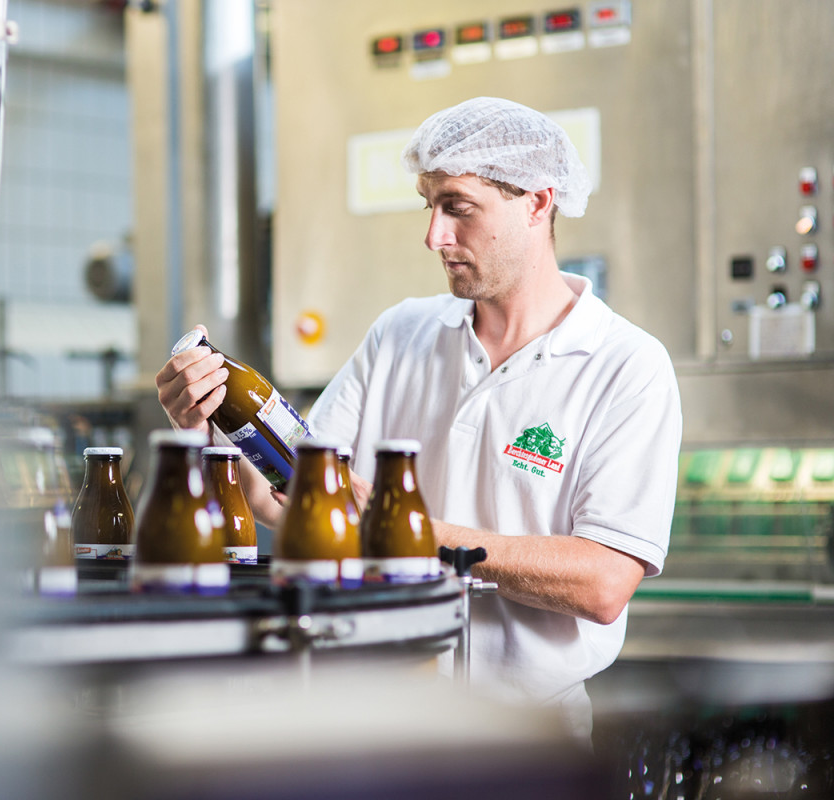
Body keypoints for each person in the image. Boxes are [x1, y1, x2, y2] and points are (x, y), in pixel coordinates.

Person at [156, 96, 682, 736]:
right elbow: (281, 499)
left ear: (537, 203)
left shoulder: (624, 364)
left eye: (457, 206)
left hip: (526, 740)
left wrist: (397, 525)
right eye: (428, 205)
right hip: (374, 723)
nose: (434, 235)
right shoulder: (401, 334)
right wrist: (202, 430)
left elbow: (602, 583)